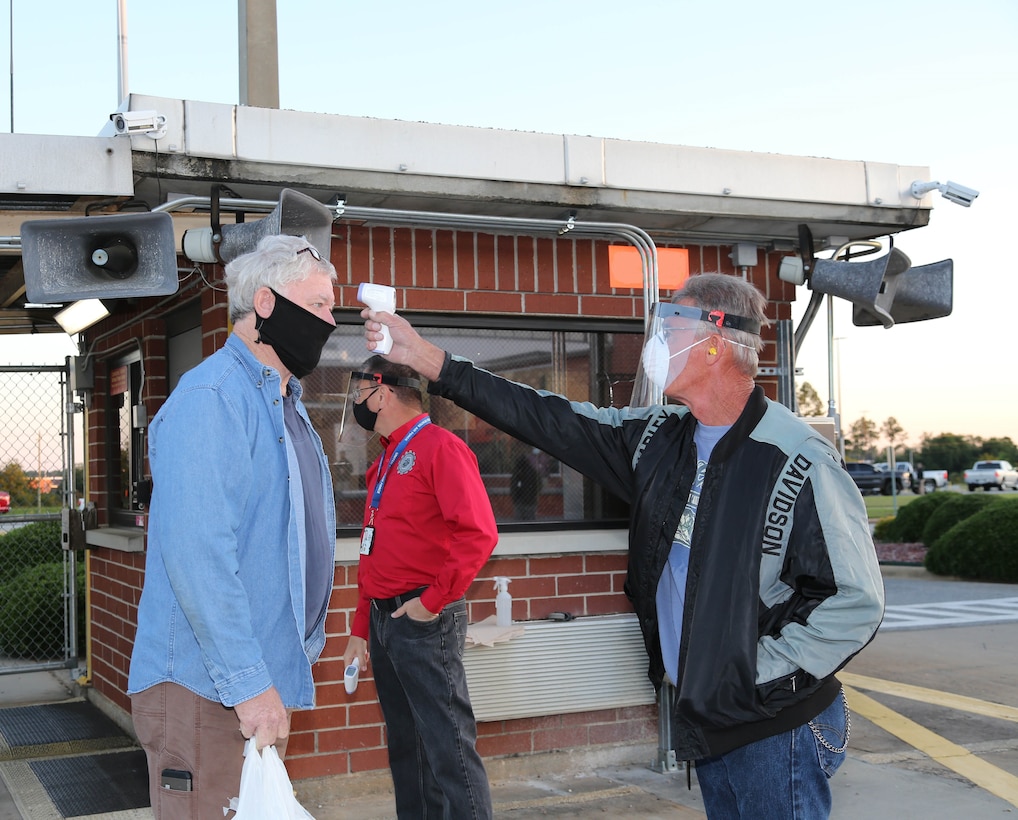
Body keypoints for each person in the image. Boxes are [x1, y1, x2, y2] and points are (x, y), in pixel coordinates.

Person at [361, 273, 885, 820]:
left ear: (713, 343)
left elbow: (853, 601)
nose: (653, 344)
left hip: (778, 726)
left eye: (670, 326)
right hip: (710, 715)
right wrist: (428, 360)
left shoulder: (796, 457)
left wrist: (750, 672)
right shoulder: (660, 439)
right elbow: (551, 418)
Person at [128, 233, 339, 818]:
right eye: (318, 304)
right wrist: (249, 684)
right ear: (265, 304)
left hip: (256, 685)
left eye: (332, 306)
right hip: (209, 691)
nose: (329, 320)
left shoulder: (287, 404)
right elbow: (199, 557)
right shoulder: (212, 400)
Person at [342, 356, 498, 819]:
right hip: (385, 620)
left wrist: (430, 603)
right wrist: (359, 628)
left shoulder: (441, 448)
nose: (357, 404)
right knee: (407, 751)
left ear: (383, 392)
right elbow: (374, 552)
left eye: (360, 393)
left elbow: (479, 533)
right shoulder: (387, 457)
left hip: (423, 620)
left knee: (448, 750)